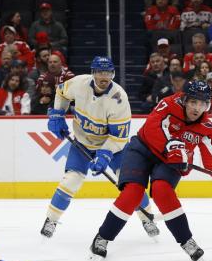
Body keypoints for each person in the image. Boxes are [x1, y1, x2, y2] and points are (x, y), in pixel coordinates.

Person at [88, 81, 212, 261]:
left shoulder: (206, 128)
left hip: (171, 160)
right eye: (193, 102)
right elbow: (153, 127)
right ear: (184, 100)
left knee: (162, 191)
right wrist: (172, 146)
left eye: (202, 104)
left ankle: (186, 241)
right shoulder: (168, 104)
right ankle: (102, 237)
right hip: (142, 150)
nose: (197, 108)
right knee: (133, 193)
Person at [42, 56, 158, 239]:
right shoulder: (79, 83)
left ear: (113, 74)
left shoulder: (119, 99)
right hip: (83, 143)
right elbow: (61, 93)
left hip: (115, 148)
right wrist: (58, 114)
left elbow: (119, 137)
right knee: (70, 180)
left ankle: (147, 219)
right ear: (93, 73)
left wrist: (105, 154)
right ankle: (51, 219)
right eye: (100, 72)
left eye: (108, 73)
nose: (104, 77)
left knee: (131, 184)